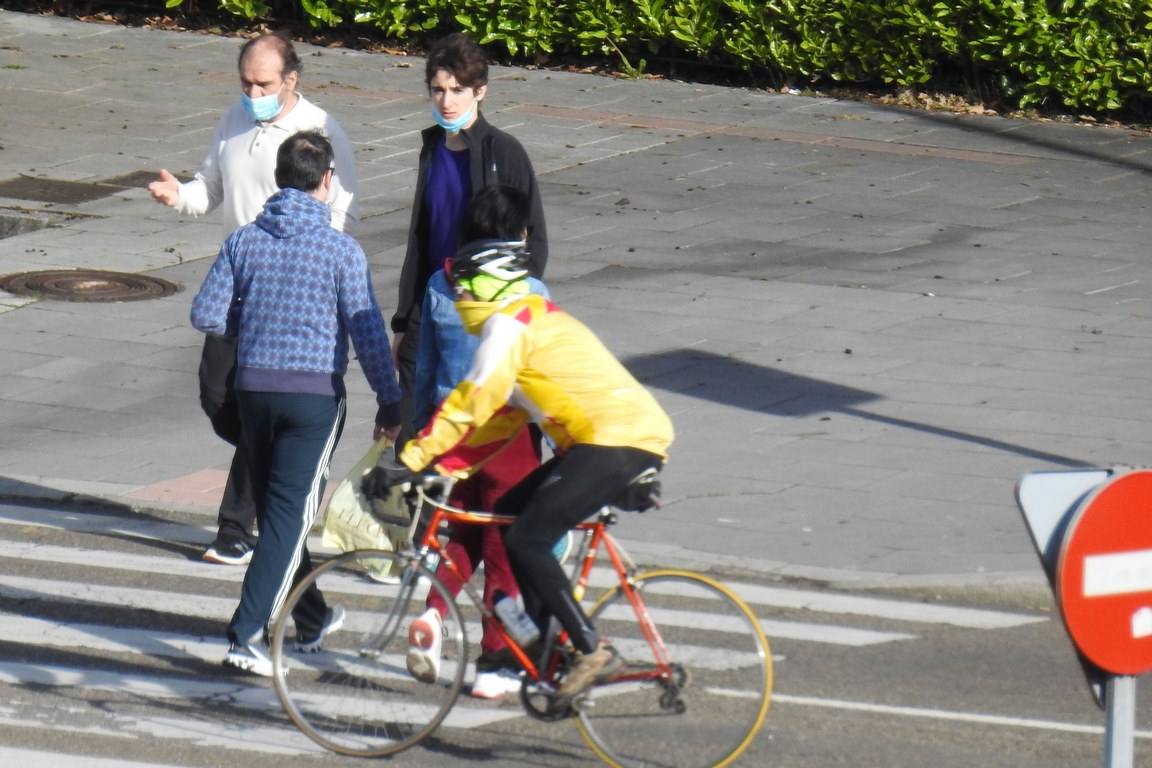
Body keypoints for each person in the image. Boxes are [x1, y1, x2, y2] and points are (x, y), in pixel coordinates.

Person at [364, 224, 674, 704]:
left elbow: (471, 400)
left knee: (527, 538)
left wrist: (413, 456)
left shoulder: (507, 326)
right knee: (512, 519)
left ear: (487, 284)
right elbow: (496, 424)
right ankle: (545, 650)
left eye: (464, 286)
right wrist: (441, 467)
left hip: (613, 441)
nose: (458, 294)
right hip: (610, 441)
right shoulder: (528, 321)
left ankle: (590, 649)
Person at [190, 131, 400, 676]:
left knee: (279, 511)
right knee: (289, 516)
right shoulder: (341, 251)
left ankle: (312, 617)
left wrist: (252, 320)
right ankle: (246, 633)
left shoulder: (244, 242)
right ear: (326, 181)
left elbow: (206, 314)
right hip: (312, 399)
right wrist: (390, 398)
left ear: (281, 179)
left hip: (254, 391)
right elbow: (368, 330)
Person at [149, 31, 359, 567]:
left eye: (262, 83)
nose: (252, 91)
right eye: (245, 82)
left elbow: (340, 212)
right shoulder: (233, 120)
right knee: (217, 395)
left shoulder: (320, 130)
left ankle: (235, 527)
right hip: (238, 280)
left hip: (289, 293)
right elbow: (209, 188)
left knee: (255, 401)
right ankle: (281, 465)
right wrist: (180, 196)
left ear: (291, 79)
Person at [406, 186, 549, 700]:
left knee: (463, 533)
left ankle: (433, 614)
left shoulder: (440, 286)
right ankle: (493, 661)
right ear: (520, 235)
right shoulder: (531, 290)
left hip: (453, 432)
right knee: (504, 550)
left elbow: (424, 370)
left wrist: (422, 431)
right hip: (508, 437)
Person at [390, 32, 548, 446]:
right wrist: (404, 318)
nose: (446, 101)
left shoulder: (505, 152)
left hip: (483, 300)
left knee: (470, 409)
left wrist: (509, 301)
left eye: (457, 90)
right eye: (438, 90)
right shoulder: (432, 149)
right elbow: (420, 236)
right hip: (434, 294)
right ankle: (418, 490)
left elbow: (535, 238)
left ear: (480, 92)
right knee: (414, 402)